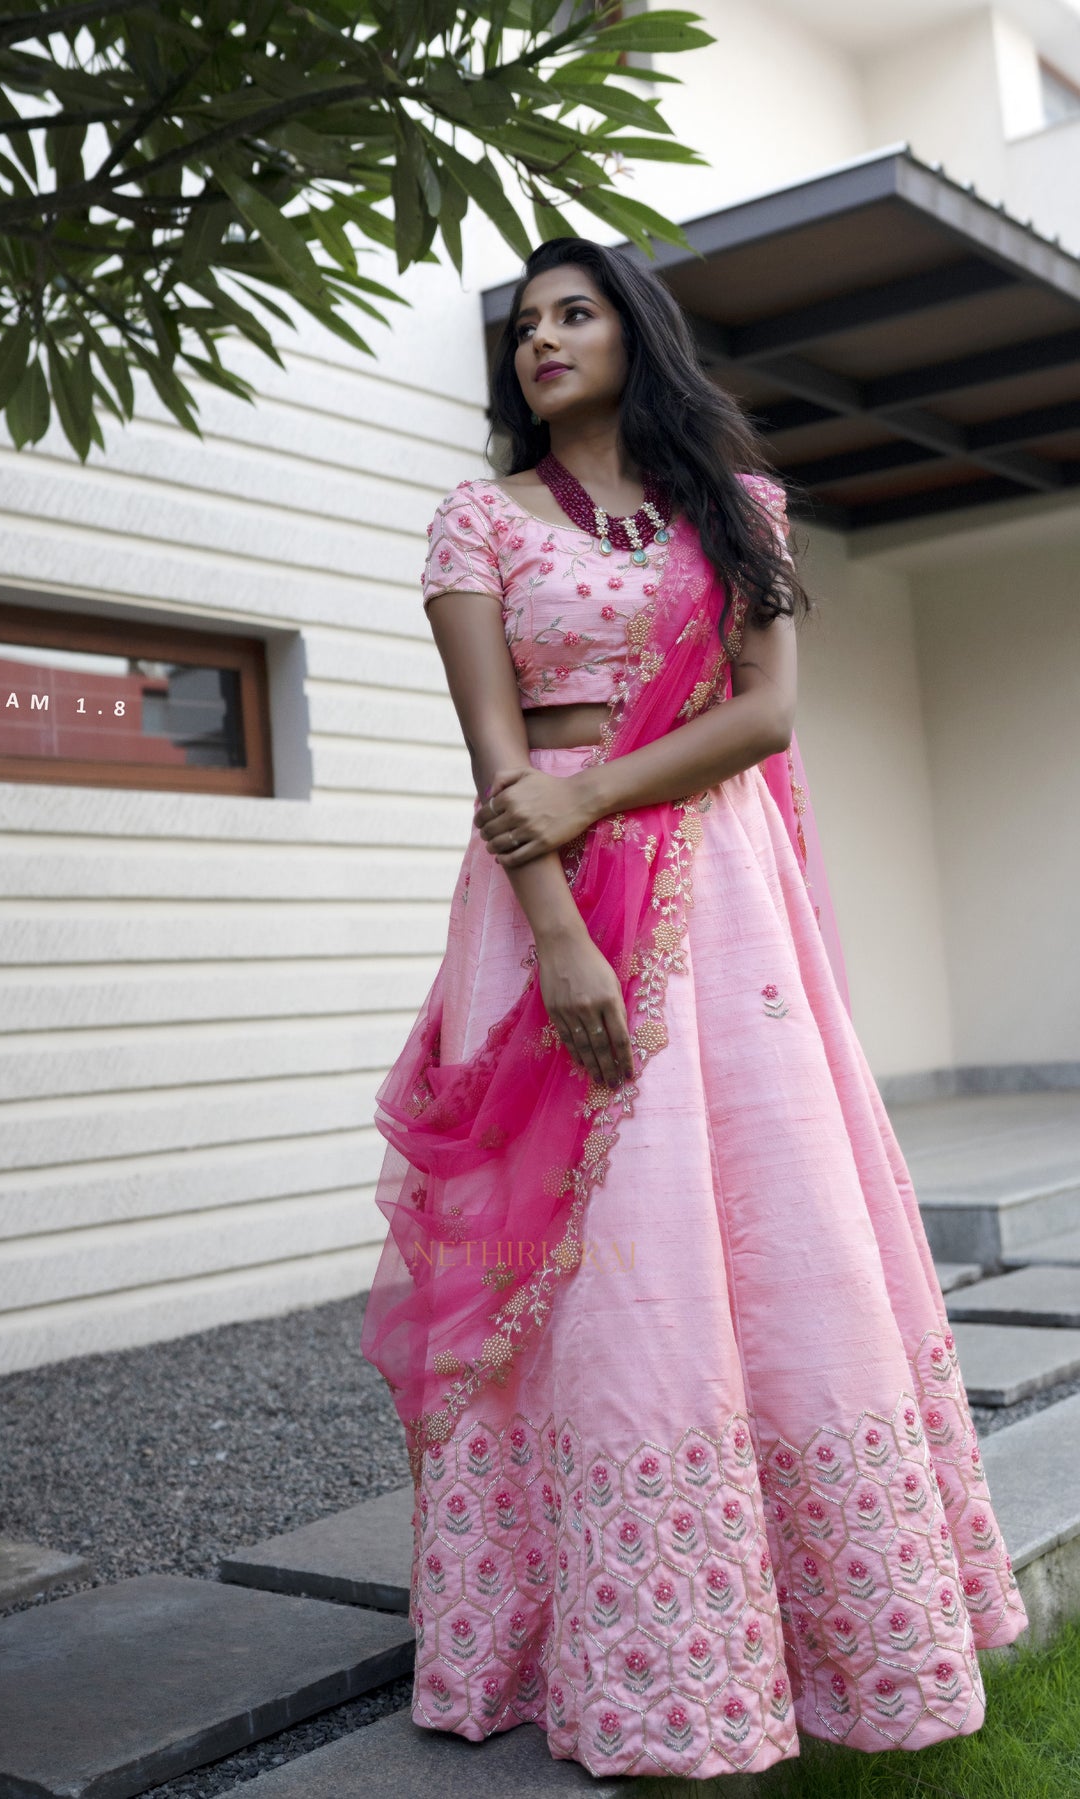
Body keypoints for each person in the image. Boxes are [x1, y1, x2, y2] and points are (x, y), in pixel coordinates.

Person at [360, 236, 1028, 1782]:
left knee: (774, 1218)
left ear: (636, 334)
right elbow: (499, 770)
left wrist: (598, 788)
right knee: (599, 1243)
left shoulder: (739, 512)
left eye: (575, 312)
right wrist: (562, 933)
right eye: (523, 324)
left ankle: (816, 1624)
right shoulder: (480, 521)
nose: (542, 340)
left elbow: (767, 713)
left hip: (726, 902)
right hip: (544, 909)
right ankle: (591, 1633)